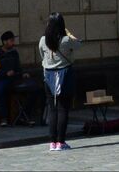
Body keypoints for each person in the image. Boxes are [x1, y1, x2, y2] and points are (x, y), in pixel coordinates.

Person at [39, 13, 80, 153]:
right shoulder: (66, 40)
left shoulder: (43, 40)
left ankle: (52, 142)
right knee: (63, 109)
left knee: (52, 109)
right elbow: (78, 44)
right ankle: (61, 142)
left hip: (48, 75)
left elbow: (42, 56)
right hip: (64, 74)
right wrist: (69, 33)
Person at [0, 31, 26, 126]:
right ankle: (3, 118)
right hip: (1, 79)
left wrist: (22, 74)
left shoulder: (14, 53)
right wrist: (5, 73)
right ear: (4, 42)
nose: (13, 43)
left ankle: (23, 116)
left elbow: (18, 67)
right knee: (0, 90)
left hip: (14, 79)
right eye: (11, 40)